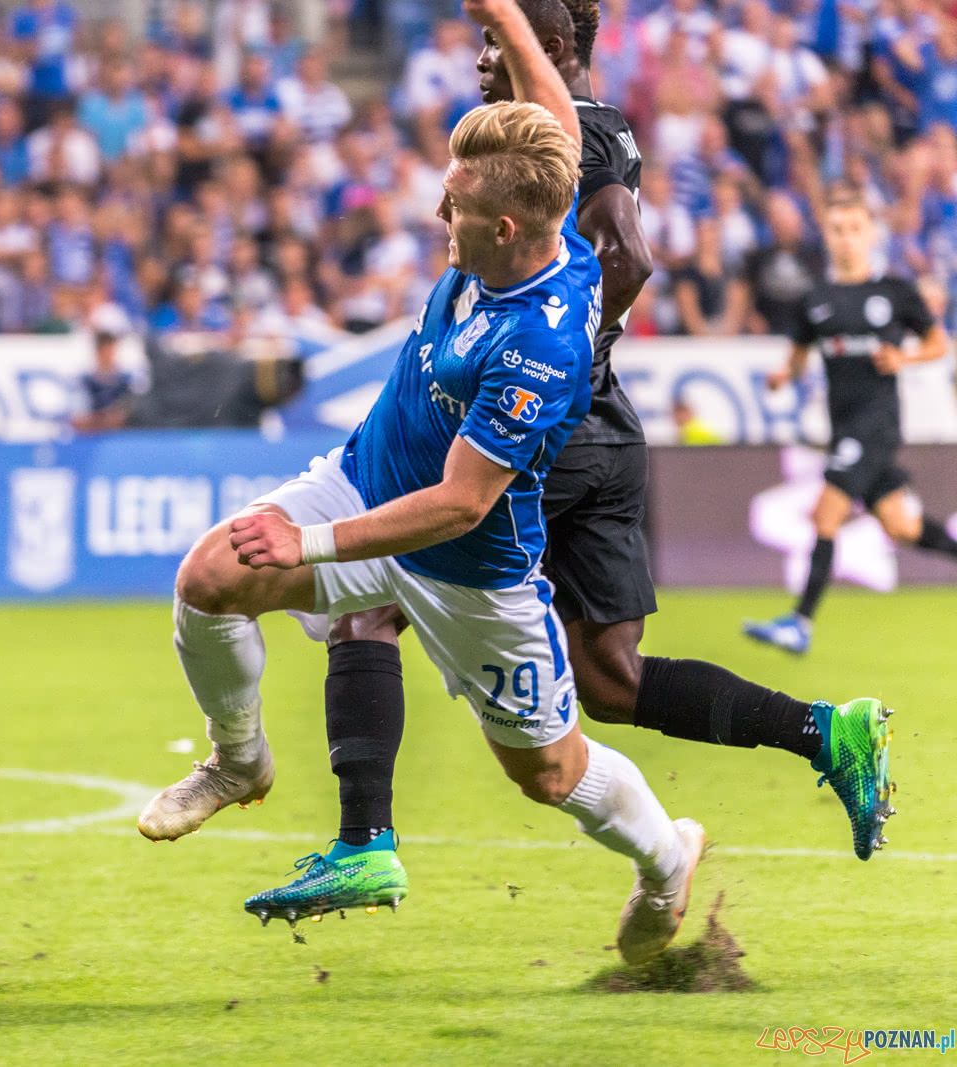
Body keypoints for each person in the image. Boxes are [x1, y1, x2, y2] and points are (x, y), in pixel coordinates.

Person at [235, 0, 896, 927]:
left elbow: (626, 253)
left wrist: (556, 360)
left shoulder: (565, 141)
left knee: (372, 587)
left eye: (492, 45)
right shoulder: (598, 130)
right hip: (608, 431)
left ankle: (363, 842)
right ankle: (822, 728)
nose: (475, 63)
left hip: (559, 431)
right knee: (611, 679)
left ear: (547, 48)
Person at [138, 0, 702, 966]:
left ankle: (664, 865)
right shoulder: (541, 204)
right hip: (361, 481)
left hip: (467, 566)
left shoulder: (540, 340)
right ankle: (239, 761)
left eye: (461, 208)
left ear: (512, 225)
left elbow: (460, 503)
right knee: (205, 580)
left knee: (550, 771)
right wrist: (498, 13)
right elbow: (553, 112)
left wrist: (307, 547)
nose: (442, 214)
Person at [745, 191, 957, 654]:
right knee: (901, 525)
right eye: (838, 229)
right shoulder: (815, 300)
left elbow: (939, 343)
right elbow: (799, 358)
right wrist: (784, 375)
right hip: (843, 428)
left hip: (877, 424)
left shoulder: (895, 292)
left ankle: (799, 622)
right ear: (827, 235)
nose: (846, 238)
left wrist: (905, 356)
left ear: (870, 233)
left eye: (855, 228)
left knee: (826, 511)